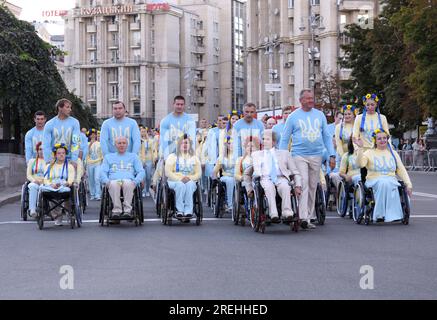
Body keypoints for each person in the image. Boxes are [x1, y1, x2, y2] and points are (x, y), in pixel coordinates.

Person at [279, 89, 335, 230]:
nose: (311, 101)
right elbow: (285, 139)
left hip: (316, 155)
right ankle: (302, 216)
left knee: (312, 186)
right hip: (299, 155)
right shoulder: (293, 116)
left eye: (312, 98)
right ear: (301, 100)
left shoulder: (320, 115)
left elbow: (327, 136)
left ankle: (308, 217)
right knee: (302, 183)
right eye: (308, 98)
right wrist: (282, 158)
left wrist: (331, 155)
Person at [355, 129, 413, 222]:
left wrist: (409, 184)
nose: (382, 140)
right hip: (373, 180)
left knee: (393, 184)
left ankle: (395, 214)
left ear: (387, 139)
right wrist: (360, 148)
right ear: (375, 141)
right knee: (384, 183)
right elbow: (360, 164)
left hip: (391, 179)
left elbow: (401, 169)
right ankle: (379, 214)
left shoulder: (393, 153)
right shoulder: (369, 153)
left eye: (384, 138)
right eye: (379, 139)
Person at [252, 130, 302, 223]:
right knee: (269, 188)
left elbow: (295, 171)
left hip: (281, 177)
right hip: (265, 177)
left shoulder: (285, 153)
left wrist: (298, 185)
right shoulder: (256, 155)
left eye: (267, 139)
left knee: (286, 187)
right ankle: (273, 214)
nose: (264, 141)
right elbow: (254, 170)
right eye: (263, 139)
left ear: (274, 142)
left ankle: (287, 213)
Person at [100, 136, 145, 218]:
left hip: (128, 180)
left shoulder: (133, 156)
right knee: (114, 184)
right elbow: (103, 171)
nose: (122, 145)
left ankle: (127, 210)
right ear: (115, 145)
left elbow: (141, 171)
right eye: (119, 143)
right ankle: (116, 210)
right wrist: (106, 181)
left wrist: (136, 181)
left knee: (128, 184)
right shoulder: (108, 157)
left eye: (124, 143)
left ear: (127, 145)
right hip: (114, 180)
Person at [165, 135, 202, 218]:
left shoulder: (194, 158)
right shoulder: (172, 157)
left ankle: (188, 210)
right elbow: (168, 172)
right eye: (182, 143)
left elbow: (198, 173)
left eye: (186, 143)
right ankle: (179, 210)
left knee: (189, 185)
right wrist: (180, 179)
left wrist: (190, 178)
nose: (184, 145)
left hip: (190, 180)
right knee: (180, 185)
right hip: (174, 181)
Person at [40, 143, 75, 226]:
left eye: (63, 153)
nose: (61, 155)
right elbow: (45, 178)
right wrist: (51, 184)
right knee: (50, 193)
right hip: (52, 186)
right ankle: (57, 216)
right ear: (55, 155)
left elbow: (71, 178)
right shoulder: (49, 166)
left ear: (66, 154)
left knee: (69, 191)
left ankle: (68, 211)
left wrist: (68, 183)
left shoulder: (69, 166)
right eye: (59, 153)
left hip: (64, 186)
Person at [42, 99, 81, 164]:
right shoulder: (49, 124)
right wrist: (48, 160)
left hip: (69, 160)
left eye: (70, 107)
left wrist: (74, 159)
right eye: (67, 107)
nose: (70, 110)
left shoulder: (75, 122)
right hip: (53, 160)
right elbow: (46, 145)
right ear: (60, 108)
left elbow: (76, 142)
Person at [213, 136, 235, 212]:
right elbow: (215, 171)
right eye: (229, 143)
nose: (231, 145)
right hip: (226, 176)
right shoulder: (222, 157)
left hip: (237, 176)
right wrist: (215, 179)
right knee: (230, 181)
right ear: (226, 145)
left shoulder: (239, 155)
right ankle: (230, 204)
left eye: (233, 143)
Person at [26, 142, 46, 218]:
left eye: (43, 149)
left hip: (45, 182)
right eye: (40, 149)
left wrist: (44, 181)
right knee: (32, 186)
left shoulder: (49, 162)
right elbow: (28, 175)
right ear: (37, 151)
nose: (41, 151)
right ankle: (32, 210)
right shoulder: (32, 161)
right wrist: (34, 180)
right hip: (35, 181)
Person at [139, 126, 156, 197]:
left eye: (144, 131)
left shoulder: (151, 141)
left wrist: (154, 159)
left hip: (149, 160)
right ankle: (143, 190)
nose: (143, 133)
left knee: (148, 176)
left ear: (146, 132)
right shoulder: (138, 140)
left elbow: (153, 150)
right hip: (140, 160)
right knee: (143, 177)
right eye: (142, 131)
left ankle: (147, 189)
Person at [86, 128, 103, 201]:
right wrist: (90, 144)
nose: (93, 136)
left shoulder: (100, 143)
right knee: (91, 179)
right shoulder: (87, 144)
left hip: (98, 162)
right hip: (90, 163)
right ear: (89, 136)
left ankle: (98, 194)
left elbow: (102, 153)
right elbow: (86, 153)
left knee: (97, 178)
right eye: (91, 135)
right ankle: (92, 194)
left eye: (94, 134)